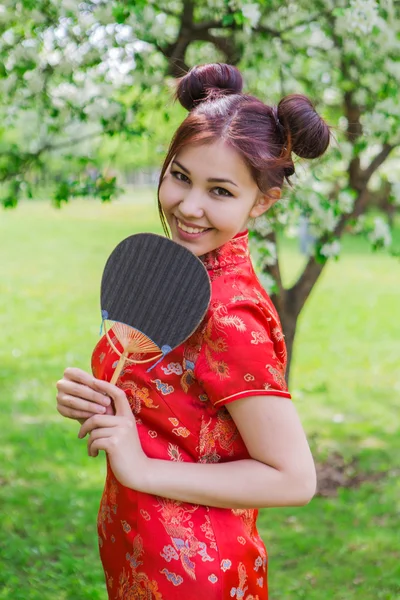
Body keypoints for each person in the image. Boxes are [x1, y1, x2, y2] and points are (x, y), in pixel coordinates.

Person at [56, 62, 330, 599]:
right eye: (180, 176)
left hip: (192, 574)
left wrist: (142, 469)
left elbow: (293, 478)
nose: (189, 206)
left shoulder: (229, 313)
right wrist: (106, 406)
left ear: (263, 201)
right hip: (141, 544)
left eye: (221, 191)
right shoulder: (181, 271)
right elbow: (177, 413)